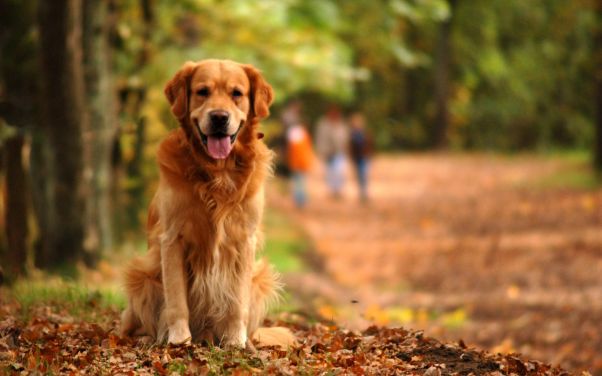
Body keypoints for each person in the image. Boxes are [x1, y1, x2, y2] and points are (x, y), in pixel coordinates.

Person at [315, 105, 349, 199]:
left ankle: (338, 189)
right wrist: (321, 150)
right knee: (330, 172)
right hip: (328, 152)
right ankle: (333, 190)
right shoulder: (323, 124)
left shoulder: (340, 124)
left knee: (339, 171)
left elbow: (344, 138)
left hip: (339, 152)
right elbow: (320, 139)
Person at [286, 121, 314, 208]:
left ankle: (300, 200)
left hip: (298, 163)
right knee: (300, 182)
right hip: (300, 163)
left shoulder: (296, 136)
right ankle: (300, 200)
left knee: (298, 182)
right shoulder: (302, 136)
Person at [348, 112, 374, 202]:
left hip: (364, 158)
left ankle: (364, 193)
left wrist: (370, 156)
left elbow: (370, 146)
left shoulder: (365, 134)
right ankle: (362, 193)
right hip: (357, 159)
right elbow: (350, 148)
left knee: (364, 175)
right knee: (360, 176)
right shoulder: (352, 135)